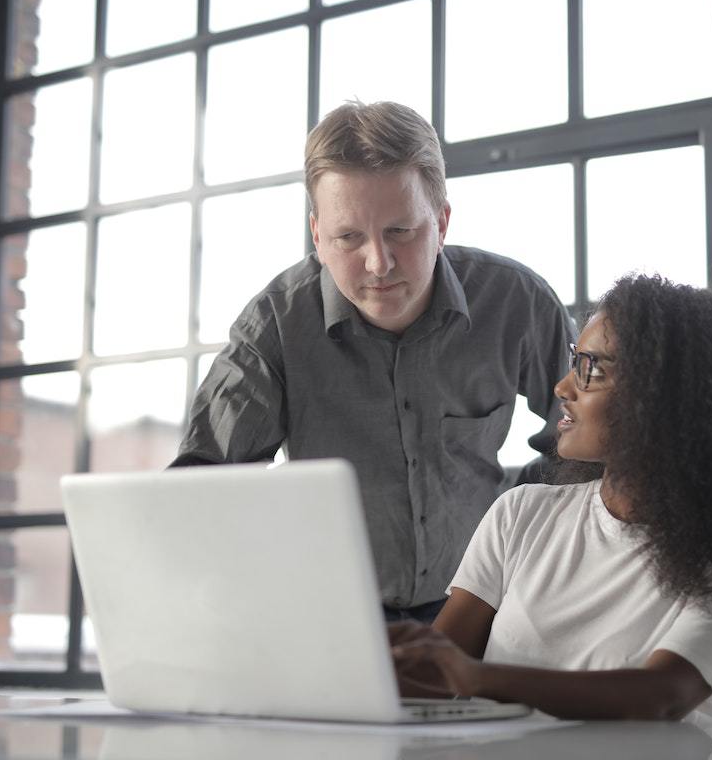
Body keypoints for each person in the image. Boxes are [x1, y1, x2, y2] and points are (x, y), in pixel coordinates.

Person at [172, 101, 576, 623]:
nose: (378, 263)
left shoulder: (516, 300)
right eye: (349, 237)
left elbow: (589, 441)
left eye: (400, 231)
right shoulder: (275, 324)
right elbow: (202, 490)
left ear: (442, 222)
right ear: (318, 236)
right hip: (329, 617)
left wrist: (517, 522)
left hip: (485, 607)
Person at [389, 274, 712, 723]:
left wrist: (477, 678)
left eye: (592, 369)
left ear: (664, 397)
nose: (563, 388)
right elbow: (433, 675)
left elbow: (664, 694)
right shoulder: (519, 514)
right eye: (574, 362)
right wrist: (374, 661)